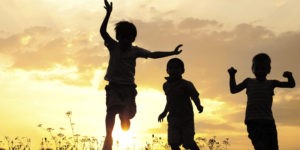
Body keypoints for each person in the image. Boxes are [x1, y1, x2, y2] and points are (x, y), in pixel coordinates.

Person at [100, 0, 183, 149]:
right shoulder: (114, 46)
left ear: (133, 39)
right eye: (122, 37)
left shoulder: (135, 51)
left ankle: (125, 117)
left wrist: (172, 52)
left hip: (128, 89)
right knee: (111, 110)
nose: (125, 41)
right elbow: (103, 33)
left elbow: (153, 55)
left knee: (126, 120)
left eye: (128, 38)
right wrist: (108, 14)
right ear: (118, 37)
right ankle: (108, 136)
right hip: (114, 87)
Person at [228, 53, 295, 150]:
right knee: (260, 146)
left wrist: (290, 76)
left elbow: (291, 85)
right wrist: (232, 75)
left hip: (268, 121)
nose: (260, 70)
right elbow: (234, 90)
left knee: (273, 147)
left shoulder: (272, 83)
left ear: (269, 69)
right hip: (253, 121)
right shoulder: (248, 82)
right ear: (252, 68)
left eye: (263, 68)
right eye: (257, 67)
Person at [158, 58, 203, 150]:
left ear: (182, 70)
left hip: (186, 118)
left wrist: (198, 105)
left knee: (188, 143)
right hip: (173, 118)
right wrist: (164, 112)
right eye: (170, 68)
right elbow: (169, 101)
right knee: (173, 143)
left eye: (176, 68)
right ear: (167, 70)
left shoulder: (186, 84)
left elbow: (194, 96)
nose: (173, 70)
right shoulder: (166, 85)